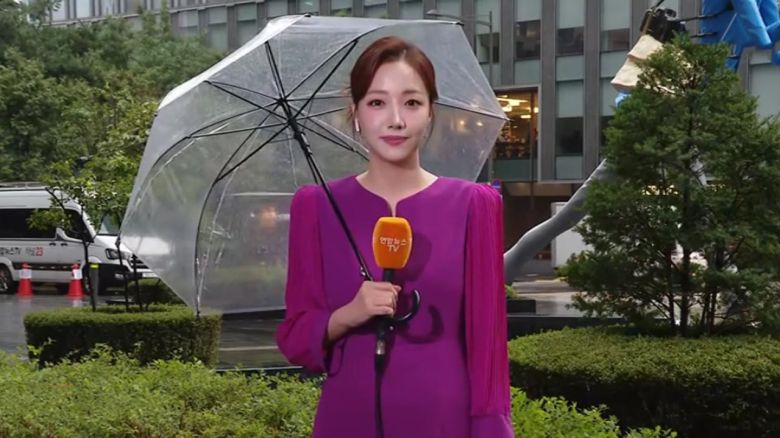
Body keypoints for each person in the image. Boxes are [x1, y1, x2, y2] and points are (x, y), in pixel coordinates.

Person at [275, 36, 513, 438]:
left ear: (431, 112)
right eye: (376, 102)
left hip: (444, 420)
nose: (395, 120)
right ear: (355, 112)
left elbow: (488, 353)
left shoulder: (474, 205)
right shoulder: (317, 206)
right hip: (347, 419)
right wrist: (348, 314)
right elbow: (296, 338)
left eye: (412, 102)